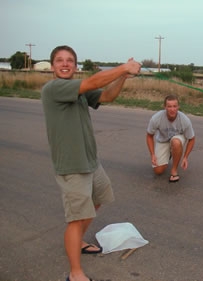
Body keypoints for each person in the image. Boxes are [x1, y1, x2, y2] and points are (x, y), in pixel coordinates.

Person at [41, 45, 141, 281]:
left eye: (69, 61)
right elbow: (92, 83)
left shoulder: (78, 91)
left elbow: (106, 95)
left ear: (75, 66)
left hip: (90, 161)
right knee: (76, 218)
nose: (65, 64)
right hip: (72, 166)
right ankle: (75, 274)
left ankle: (78, 242)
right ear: (53, 66)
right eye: (59, 60)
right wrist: (123, 67)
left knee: (96, 202)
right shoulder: (54, 88)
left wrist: (123, 78)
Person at [146, 95, 196, 182]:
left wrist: (185, 157)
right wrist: (152, 154)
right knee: (158, 171)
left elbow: (192, 139)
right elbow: (149, 136)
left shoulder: (184, 120)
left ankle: (174, 170)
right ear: (165, 107)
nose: (172, 109)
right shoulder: (156, 118)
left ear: (178, 107)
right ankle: (170, 153)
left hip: (178, 139)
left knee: (176, 142)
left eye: (174, 106)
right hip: (163, 140)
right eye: (169, 106)